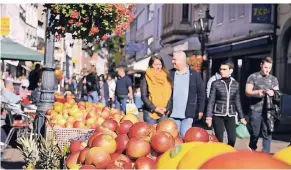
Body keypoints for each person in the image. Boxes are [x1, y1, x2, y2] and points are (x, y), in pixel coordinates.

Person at [206, 61, 247, 147]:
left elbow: (237, 101)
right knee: (219, 139)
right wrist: (209, 117)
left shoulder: (235, 84)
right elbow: (211, 101)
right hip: (218, 114)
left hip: (231, 114)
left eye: (224, 69)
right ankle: (219, 157)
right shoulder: (216, 83)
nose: (222, 71)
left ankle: (228, 155)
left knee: (232, 139)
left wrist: (242, 117)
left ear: (230, 71)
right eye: (221, 69)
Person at [245, 57, 279, 153]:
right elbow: (247, 92)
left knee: (267, 132)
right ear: (261, 65)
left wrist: (273, 93)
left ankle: (265, 154)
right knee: (255, 133)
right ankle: (252, 147)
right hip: (256, 109)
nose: (267, 70)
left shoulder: (274, 79)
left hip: (269, 109)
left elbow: (277, 93)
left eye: (269, 68)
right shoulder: (253, 77)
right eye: (265, 67)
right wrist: (258, 92)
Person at [168, 51, 205, 138]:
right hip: (172, 114)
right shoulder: (170, 74)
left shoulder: (194, 74)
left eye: (174, 60)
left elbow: (201, 93)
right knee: (172, 139)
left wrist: (200, 110)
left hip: (188, 114)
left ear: (182, 61)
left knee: (185, 137)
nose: (172, 62)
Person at [141, 55, 172, 124]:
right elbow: (143, 95)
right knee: (151, 132)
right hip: (150, 112)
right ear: (151, 65)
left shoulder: (166, 75)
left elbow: (170, 95)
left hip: (163, 112)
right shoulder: (146, 76)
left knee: (163, 133)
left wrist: (167, 108)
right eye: (156, 64)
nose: (158, 67)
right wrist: (154, 108)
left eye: (160, 64)